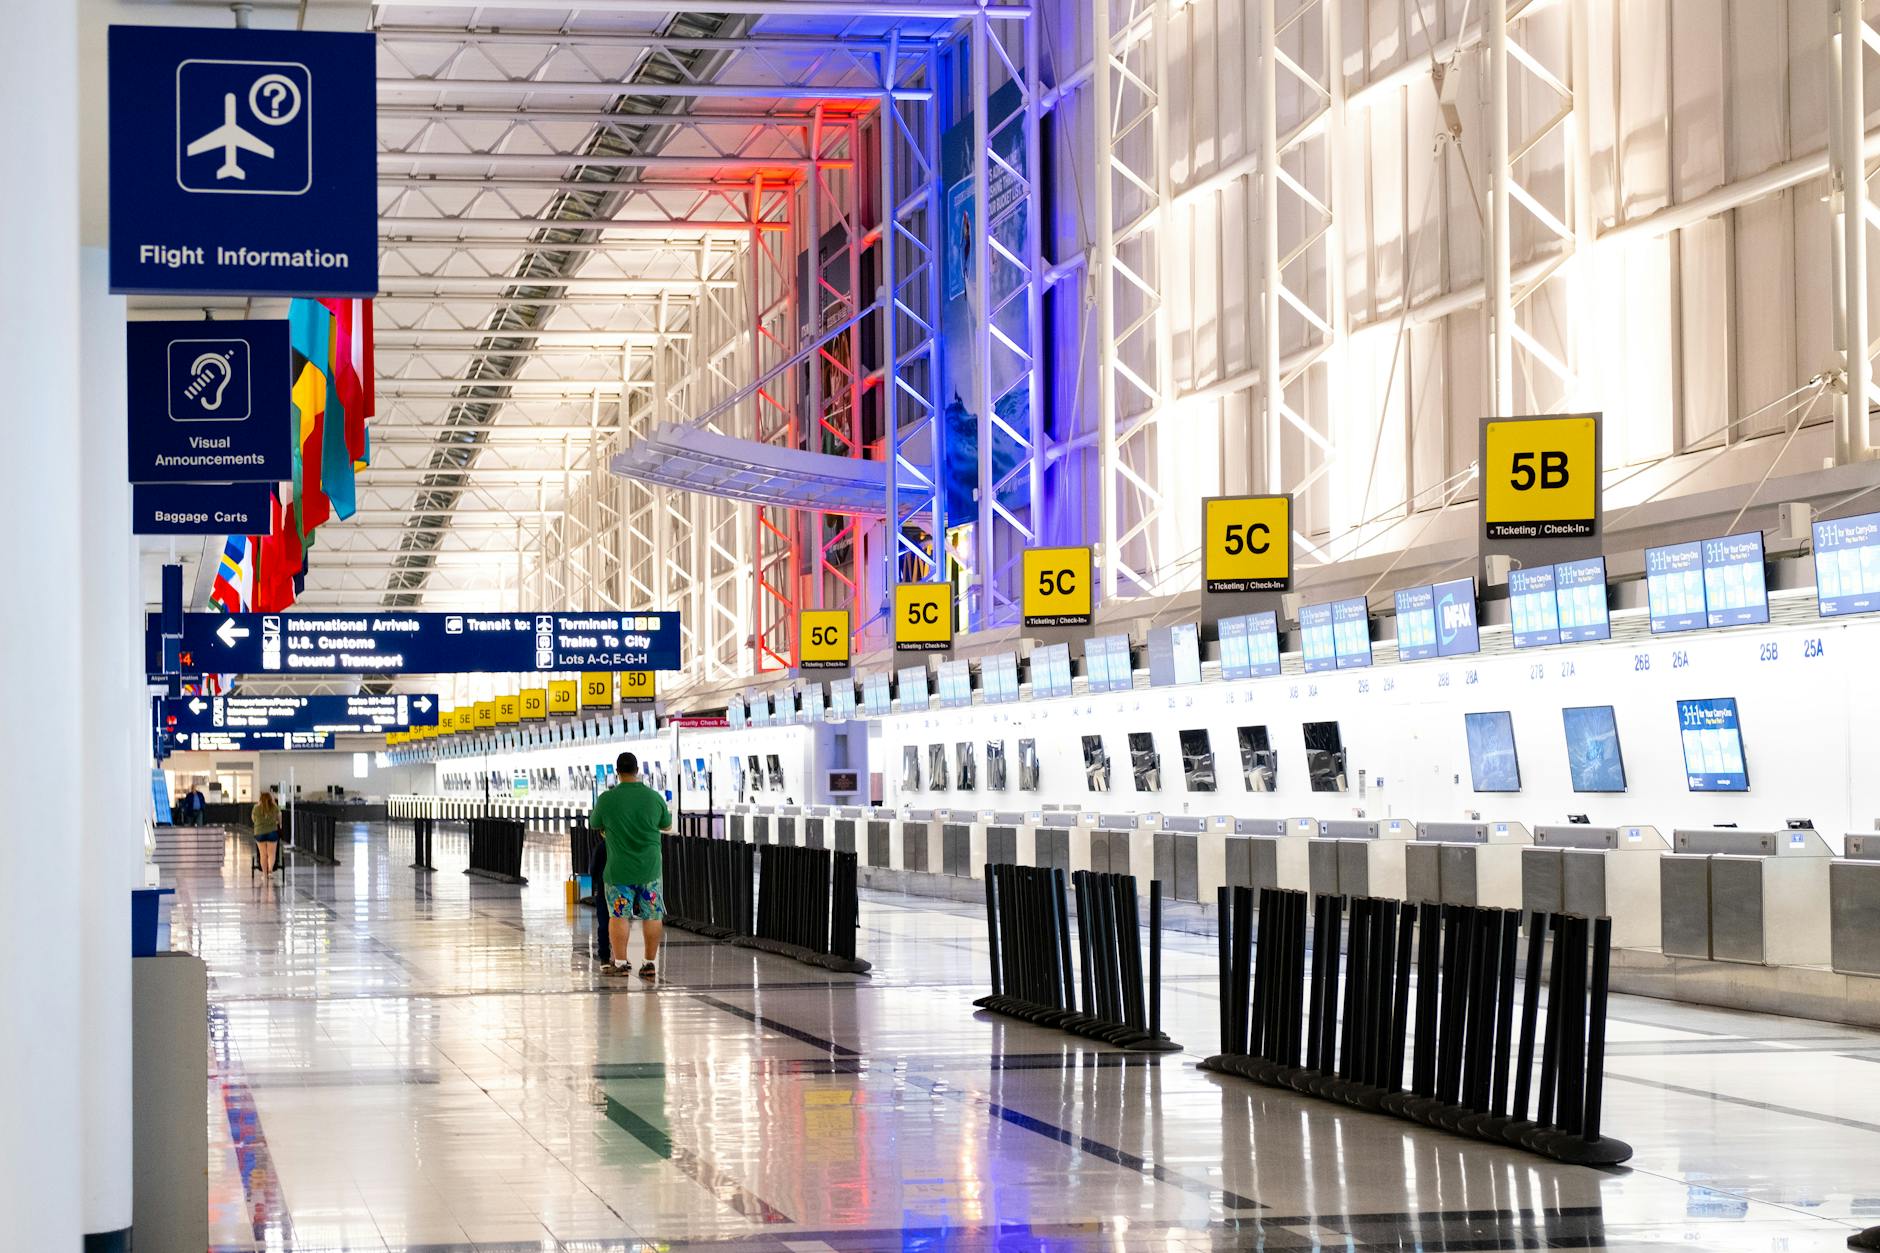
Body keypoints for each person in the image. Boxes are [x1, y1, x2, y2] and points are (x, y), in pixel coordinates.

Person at [587, 750, 672, 980]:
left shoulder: (607, 798)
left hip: (619, 870)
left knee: (619, 915)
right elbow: (666, 823)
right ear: (637, 771)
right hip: (650, 869)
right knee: (652, 915)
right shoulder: (653, 797)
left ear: (617, 772)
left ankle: (622, 963)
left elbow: (595, 823)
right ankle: (649, 963)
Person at [251, 790, 282, 876]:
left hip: (259, 833)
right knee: (271, 854)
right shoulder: (275, 807)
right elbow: (279, 819)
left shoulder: (256, 808)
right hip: (272, 832)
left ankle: (264, 874)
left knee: (263, 854)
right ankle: (270, 871)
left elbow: (253, 820)